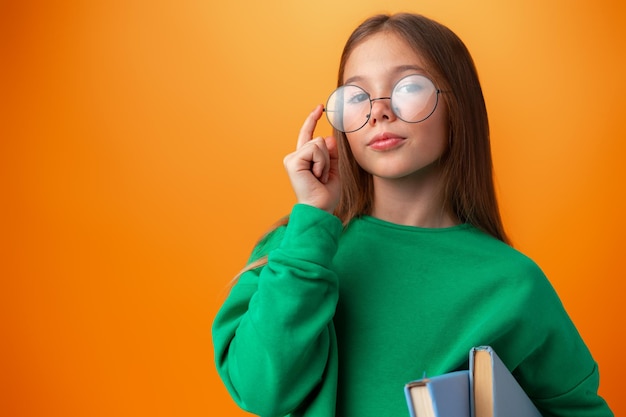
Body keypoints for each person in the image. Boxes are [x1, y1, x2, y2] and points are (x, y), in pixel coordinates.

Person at [212, 13, 613, 417]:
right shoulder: (296, 247)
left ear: (457, 104)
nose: (379, 112)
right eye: (356, 96)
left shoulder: (515, 284)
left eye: (408, 87)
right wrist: (312, 219)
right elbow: (262, 392)